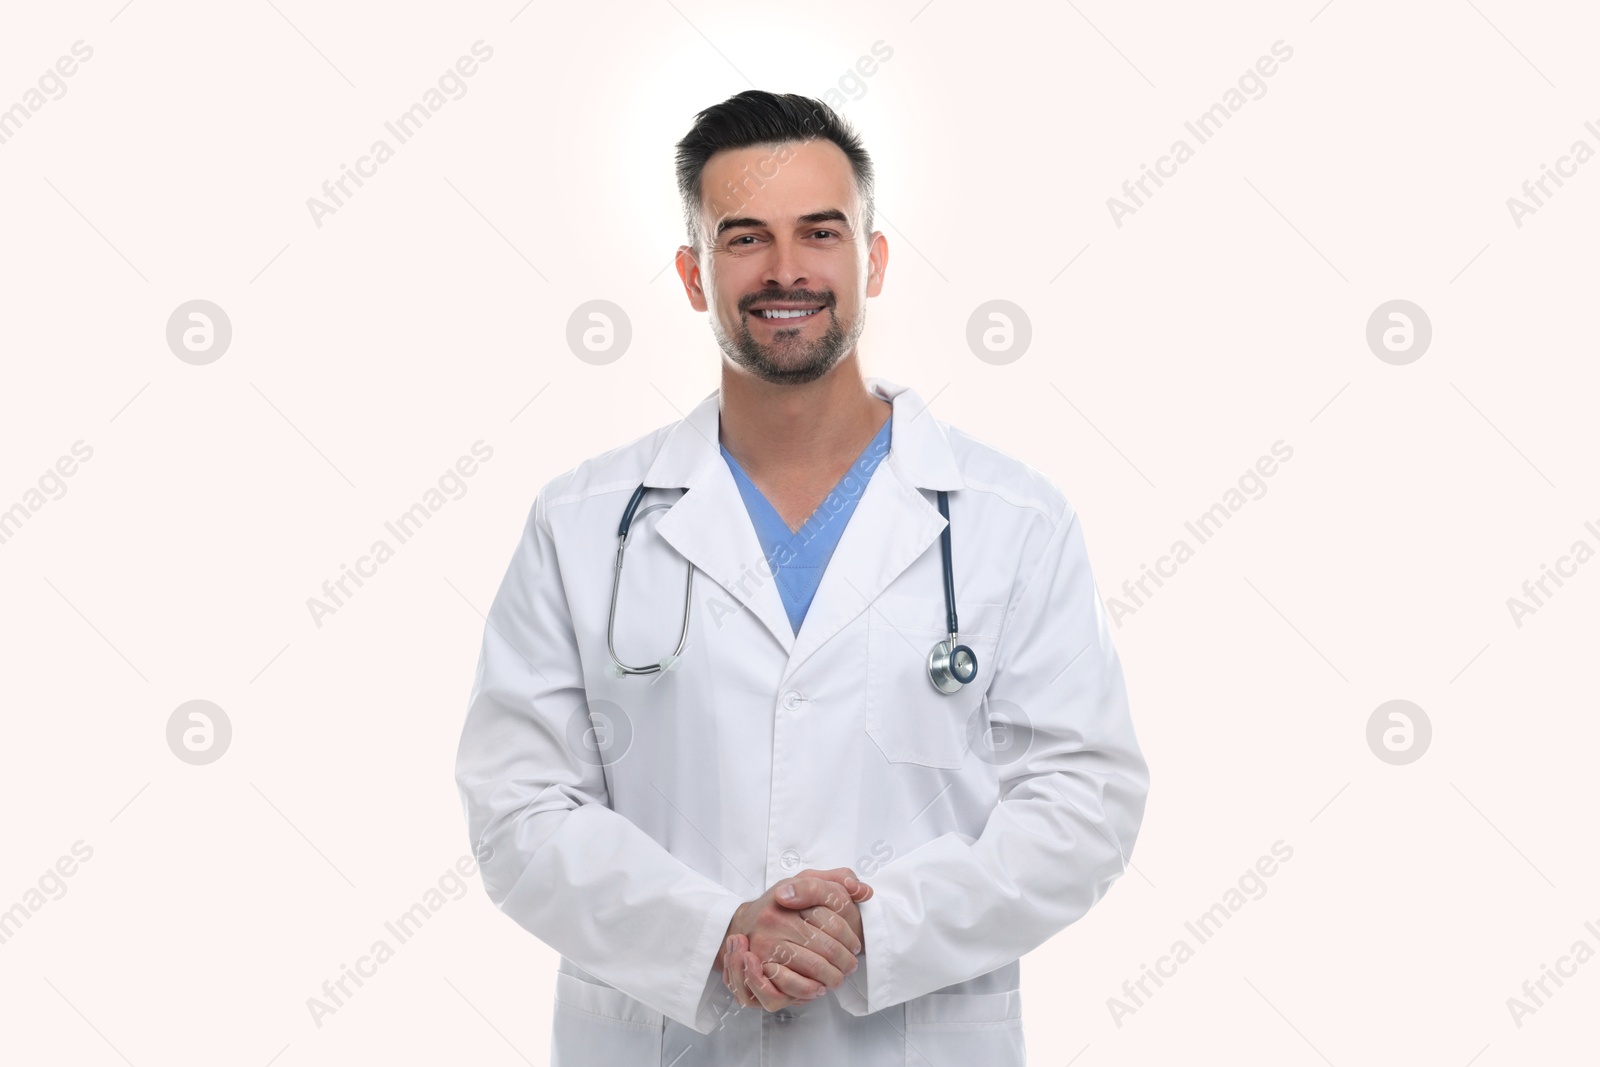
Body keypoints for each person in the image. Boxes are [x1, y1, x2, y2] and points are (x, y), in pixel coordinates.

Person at [454, 89, 1149, 1066]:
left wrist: (877, 927)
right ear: (695, 276)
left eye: (819, 232)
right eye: (744, 239)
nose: (786, 270)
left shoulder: (1011, 520)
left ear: (872, 258)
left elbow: (1084, 799)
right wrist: (712, 933)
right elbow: (518, 807)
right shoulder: (582, 523)